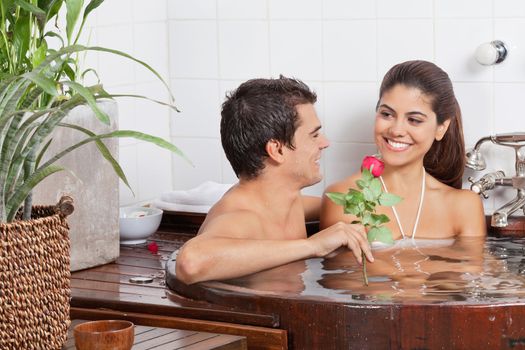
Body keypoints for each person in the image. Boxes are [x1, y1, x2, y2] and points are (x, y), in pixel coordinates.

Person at [175, 76, 374, 285]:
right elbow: (190, 263)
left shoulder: (286, 201)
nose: (325, 143)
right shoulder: (242, 218)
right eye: (314, 135)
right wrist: (313, 246)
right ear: (277, 149)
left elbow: (334, 204)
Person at [321, 60, 486, 244]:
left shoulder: (464, 206)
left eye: (414, 120)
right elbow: (345, 273)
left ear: (441, 128)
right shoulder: (344, 197)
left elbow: (471, 272)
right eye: (386, 114)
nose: (396, 130)